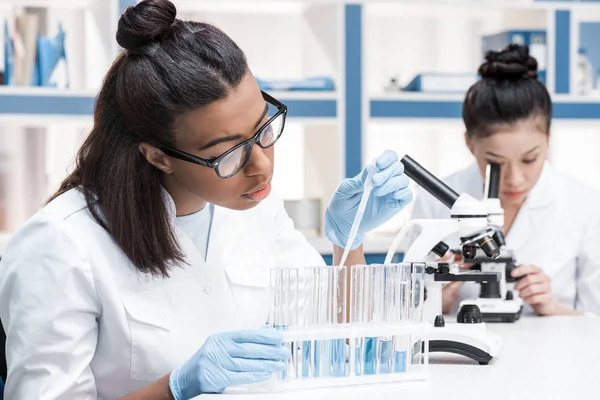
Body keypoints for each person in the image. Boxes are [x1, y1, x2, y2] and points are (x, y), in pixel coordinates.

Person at [0, 1, 413, 399]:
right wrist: (173, 389)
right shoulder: (61, 245)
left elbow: (337, 341)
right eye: (228, 152)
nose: (262, 166)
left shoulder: (254, 207)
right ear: (158, 155)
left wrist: (349, 242)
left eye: (263, 128)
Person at [411, 44, 600, 317]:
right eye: (495, 164)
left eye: (529, 159)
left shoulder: (586, 206)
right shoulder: (433, 202)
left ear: (548, 138)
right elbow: (407, 317)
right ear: (469, 143)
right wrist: (437, 300)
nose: (515, 180)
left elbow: (595, 327)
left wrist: (552, 307)